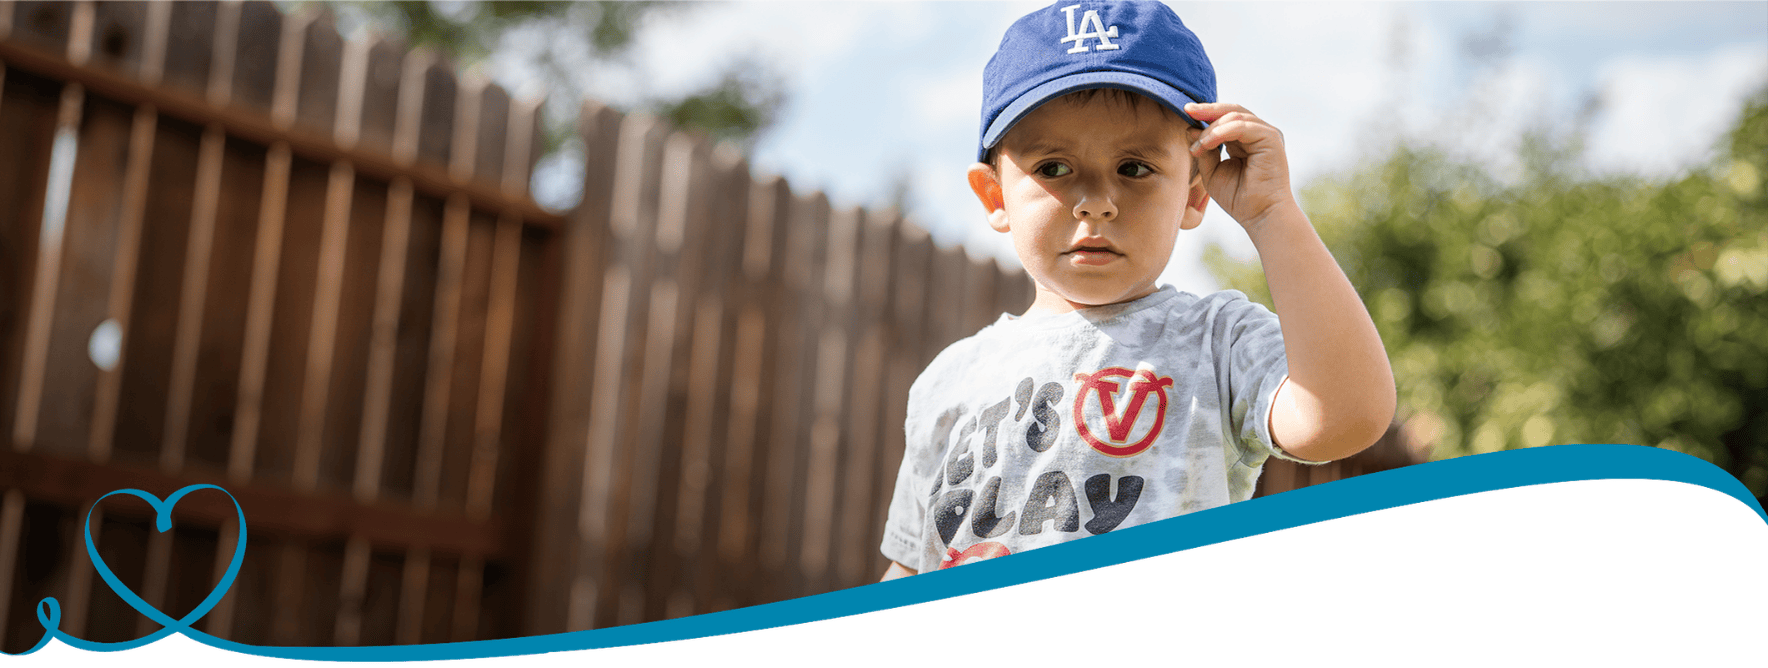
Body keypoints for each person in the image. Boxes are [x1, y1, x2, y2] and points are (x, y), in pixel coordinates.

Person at [879, 1, 1396, 579]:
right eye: (1053, 167)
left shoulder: (1217, 341)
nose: (1096, 200)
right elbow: (910, 565)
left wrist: (1272, 214)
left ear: (1196, 193)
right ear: (996, 197)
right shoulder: (948, 379)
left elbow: (1348, 418)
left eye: (1134, 167)